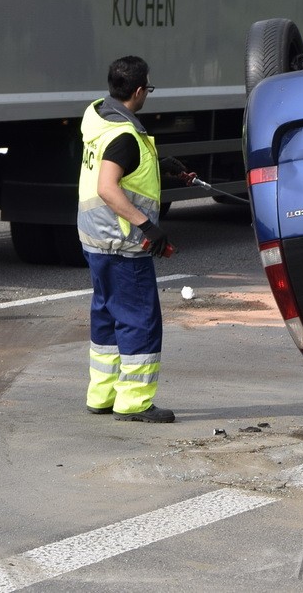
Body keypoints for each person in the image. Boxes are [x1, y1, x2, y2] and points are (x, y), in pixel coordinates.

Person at [77, 55, 185, 423]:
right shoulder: (125, 136)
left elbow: (119, 171)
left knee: (106, 316)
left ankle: (102, 394)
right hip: (122, 243)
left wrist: (159, 164)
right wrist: (147, 226)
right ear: (139, 91)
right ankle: (134, 401)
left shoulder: (99, 117)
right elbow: (109, 188)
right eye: (148, 89)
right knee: (139, 319)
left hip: (96, 239)